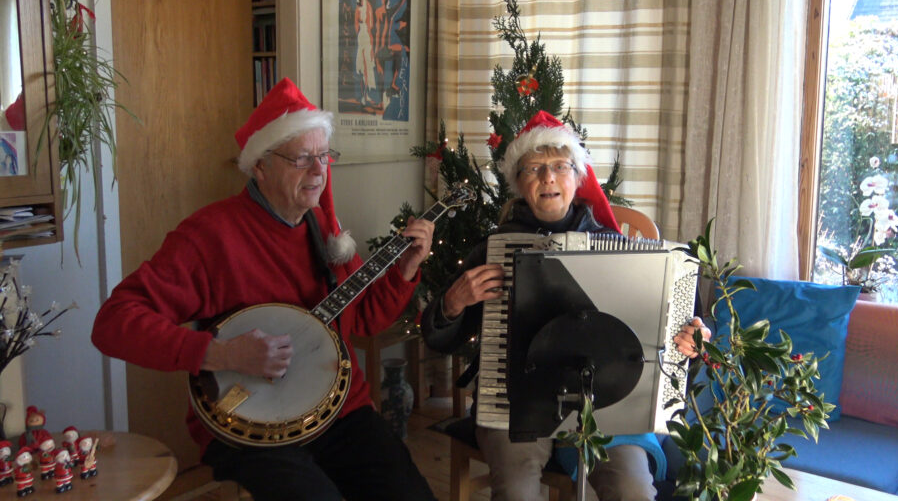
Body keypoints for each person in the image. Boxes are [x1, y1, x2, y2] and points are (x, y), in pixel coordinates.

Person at [92, 78, 437, 501]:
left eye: (324, 156)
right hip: (249, 429)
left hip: (339, 411)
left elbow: (364, 320)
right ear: (260, 165)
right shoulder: (209, 236)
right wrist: (220, 353)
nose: (318, 171)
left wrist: (405, 270)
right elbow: (113, 322)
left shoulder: (326, 231)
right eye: (303, 159)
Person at [421, 110, 710, 500]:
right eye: (533, 168)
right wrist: (452, 304)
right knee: (517, 493)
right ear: (518, 183)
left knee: (632, 490)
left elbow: (677, 323)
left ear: (578, 177)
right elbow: (438, 338)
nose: (548, 178)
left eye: (560, 166)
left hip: (609, 403)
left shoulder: (618, 248)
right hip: (515, 403)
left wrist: (693, 335)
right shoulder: (492, 250)